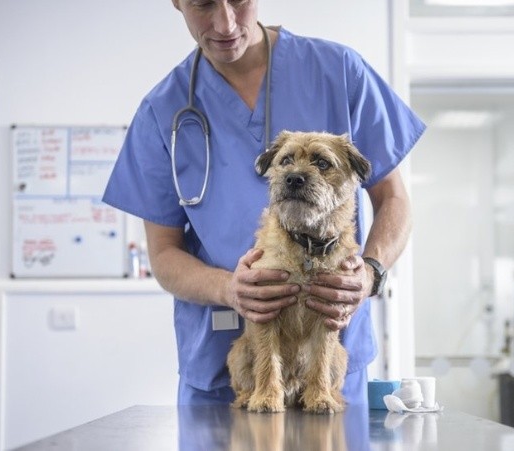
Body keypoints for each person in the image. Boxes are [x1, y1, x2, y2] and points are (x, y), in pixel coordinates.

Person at [103, 0, 425, 406]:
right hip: (224, 367)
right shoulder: (161, 111)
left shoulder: (339, 72)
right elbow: (163, 254)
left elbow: (394, 198)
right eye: (203, 5)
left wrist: (370, 273)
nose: (225, 23)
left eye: (239, 1)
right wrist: (230, 289)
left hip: (327, 362)